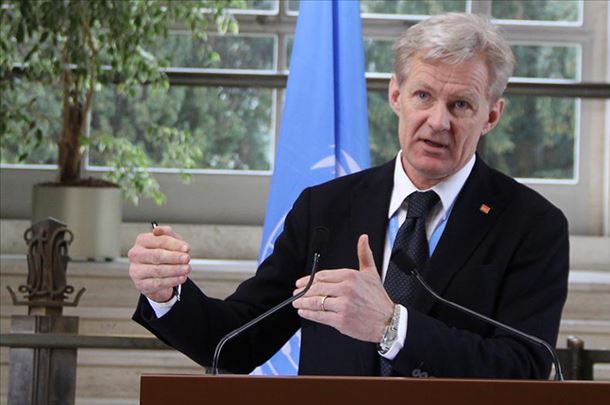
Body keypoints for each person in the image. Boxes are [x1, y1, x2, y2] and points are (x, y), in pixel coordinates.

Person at [128, 13, 569, 379]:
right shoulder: (325, 209)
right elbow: (236, 343)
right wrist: (167, 294)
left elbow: (524, 367)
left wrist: (392, 327)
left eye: (461, 105)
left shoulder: (532, 225)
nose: (438, 121)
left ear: (491, 115)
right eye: (423, 95)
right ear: (395, 95)